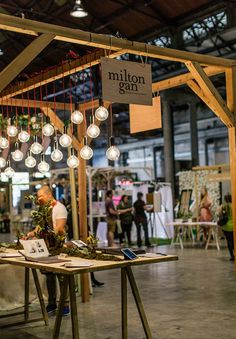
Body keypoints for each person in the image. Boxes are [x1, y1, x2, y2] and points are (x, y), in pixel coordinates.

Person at [26, 185, 69, 316]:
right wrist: (30, 234)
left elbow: (60, 229)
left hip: (58, 247)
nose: (39, 199)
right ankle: (51, 303)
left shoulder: (60, 208)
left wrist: (47, 234)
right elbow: (40, 228)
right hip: (46, 247)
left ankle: (65, 304)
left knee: (62, 276)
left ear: (48, 195)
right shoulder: (44, 210)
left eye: (40, 196)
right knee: (49, 277)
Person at [220, 194, 234, 261]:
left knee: (229, 241)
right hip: (233, 225)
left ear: (225, 199)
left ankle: (232, 255)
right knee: (233, 241)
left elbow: (221, 215)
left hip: (226, 227)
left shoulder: (224, 206)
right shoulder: (233, 206)